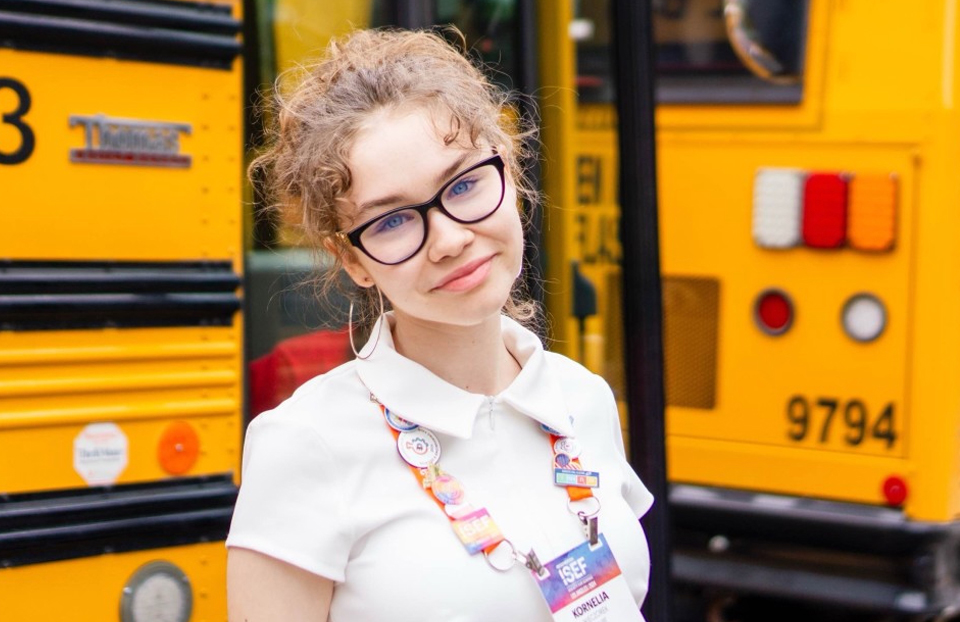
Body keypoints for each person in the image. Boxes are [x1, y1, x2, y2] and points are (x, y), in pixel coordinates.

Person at [226, 28, 653, 622]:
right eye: (394, 221)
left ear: (509, 168)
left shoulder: (582, 397)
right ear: (353, 260)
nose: (451, 239)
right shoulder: (305, 444)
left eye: (465, 184)